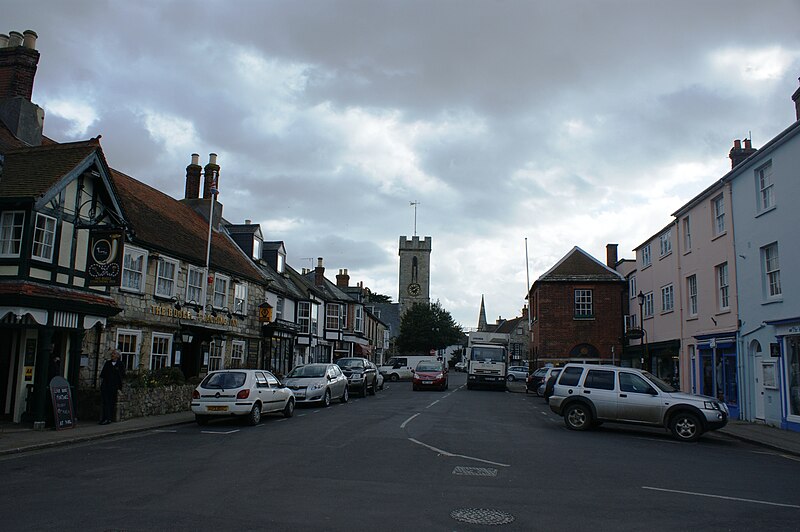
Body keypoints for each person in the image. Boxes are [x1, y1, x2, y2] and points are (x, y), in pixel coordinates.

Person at [99, 349, 125, 425]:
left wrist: (119, 387)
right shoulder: (107, 363)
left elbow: (122, 375)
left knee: (111, 403)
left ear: (118, 356)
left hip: (114, 387)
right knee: (105, 403)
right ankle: (104, 418)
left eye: (114, 354)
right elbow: (103, 374)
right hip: (106, 386)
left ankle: (108, 418)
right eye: (112, 353)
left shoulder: (120, 364)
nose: (112, 355)